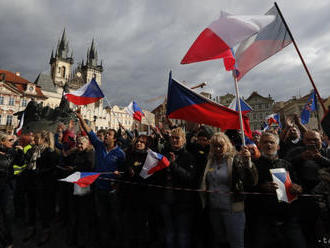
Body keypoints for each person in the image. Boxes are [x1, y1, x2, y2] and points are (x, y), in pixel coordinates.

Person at [76, 109, 125, 248]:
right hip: (99, 190)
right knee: (101, 217)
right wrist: (80, 118)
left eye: (109, 135)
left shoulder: (120, 154)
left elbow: (124, 172)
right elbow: (89, 131)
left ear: (114, 138)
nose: (106, 136)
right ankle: (103, 241)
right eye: (106, 134)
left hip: (112, 191)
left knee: (114, 218)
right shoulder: (99, 146)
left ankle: (116, 241)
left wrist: (119, 177)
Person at [200, 132, 257, 248]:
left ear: (227, 145)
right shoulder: (209, 161)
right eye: (215, 146)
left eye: (221, 145)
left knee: (236, 242)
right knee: (220, 241)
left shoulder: (235, 159)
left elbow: (251, 180)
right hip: (214, 209)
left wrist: (248, 162)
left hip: (232, 209)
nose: (218, 148)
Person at [252, 132, 306, 248]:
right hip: (264, 218)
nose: (269, 145)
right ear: (260, 145)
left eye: (272, 142)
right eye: (265, 142)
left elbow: (298, 183)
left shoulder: (286, 164)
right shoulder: (254, 165)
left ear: (278, 146)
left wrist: (298, 188)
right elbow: (248, 187)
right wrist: (261, 187)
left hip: (288, 217)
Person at [153, 127, 197, 248]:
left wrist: (173, 165)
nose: (174, 140)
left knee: (182, 235)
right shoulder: (165, 154)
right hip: (165, 200)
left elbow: (189, 178)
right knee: (169, 232)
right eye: (172, 137)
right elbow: (158, 175)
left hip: (182, 202)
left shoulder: (189, 157)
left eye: (177, 138)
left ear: (183, 140)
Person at [287, 129, 330, 246]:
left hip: (325, 202)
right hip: (303, 203)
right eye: (308, 140)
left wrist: (320, 159)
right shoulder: (296, 151)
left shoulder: (327, 152)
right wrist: (300, 158)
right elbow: (285, 165)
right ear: (303, 141)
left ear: (321, 139)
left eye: (315, 140)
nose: (312, 143)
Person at [23, 130, 59, 246]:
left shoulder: (50, 152)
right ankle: (31, 228)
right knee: (31, 207)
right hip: (31, 183)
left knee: (43, 209)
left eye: (37, 138)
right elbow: (26, 160)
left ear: (44, 139)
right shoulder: (33, 150)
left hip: (43, 185)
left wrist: (40, 171)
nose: (35, 140)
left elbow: (52, 168)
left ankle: (45, 230)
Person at [121, 134, 152, 248]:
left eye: (142, 142)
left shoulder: (149, 157)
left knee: (141, 225)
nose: (139, 143)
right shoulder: (129, 155)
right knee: (129, 223)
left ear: (146, 145)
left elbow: (148, 176)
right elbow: (124, 170)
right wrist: (125, 171)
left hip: (142, 197)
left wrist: (137, 175)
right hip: (129, 196)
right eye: (137, 141)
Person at [66, 135, 95, 248]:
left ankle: (83, 240)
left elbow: (90, 168)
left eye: (81, 144)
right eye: (78, 143)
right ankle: (74, 238)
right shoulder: (77, 153)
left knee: (83, 213)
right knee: (75, 212)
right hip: (75, 185)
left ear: (87, 144)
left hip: (84, 186)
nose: (79, 146)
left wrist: (74, 169)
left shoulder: (90, 153)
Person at [0, 132, 24, 248]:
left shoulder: (13, 152)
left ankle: (8, 240)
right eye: (10, 140)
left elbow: (20, 163)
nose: (12, 142)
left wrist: (20, 153)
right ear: (2, 142)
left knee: (7, 214)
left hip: (7, 187)